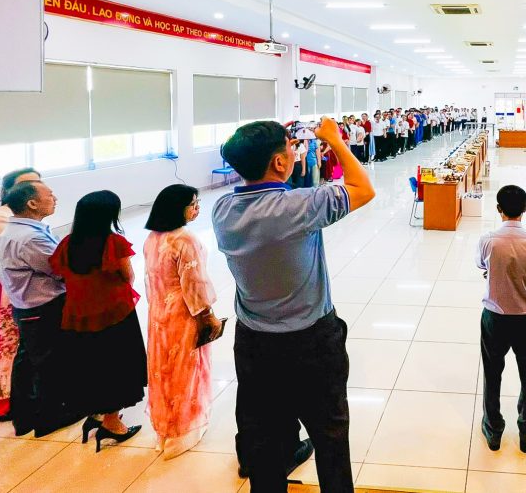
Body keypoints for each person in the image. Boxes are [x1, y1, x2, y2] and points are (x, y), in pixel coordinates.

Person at [213, 118, 375, 493]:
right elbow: (362, 188)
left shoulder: (222, 210)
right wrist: (333, 138)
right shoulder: (299, 206)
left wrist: (277, 140)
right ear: (280, 162)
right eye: (289, 148)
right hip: (311, 342)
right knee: (330, 434)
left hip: (254, 343)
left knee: (264, 437)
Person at [51, 191, 146, 451]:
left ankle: (95, 414)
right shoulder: (113, 242)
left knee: (90, 364)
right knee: (116, 366)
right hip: (113, 312)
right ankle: (112, 423)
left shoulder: (68, 243)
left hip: (78, 314)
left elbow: (60, 274)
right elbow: (128, 276)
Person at [144, 185, 222, 459]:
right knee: (186, 370)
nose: (197, 208)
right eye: (193, 204)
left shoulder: (152, 238)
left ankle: (164, 432)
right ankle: (184, 431)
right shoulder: (184, 240)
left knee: (162, 370)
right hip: (183, 313)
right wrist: (207, 315)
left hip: (158, 313)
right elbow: (195, 284)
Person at [0, 181, 80, 437]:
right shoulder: (31, 237)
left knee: (28, 362)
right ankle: (49, 418)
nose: (55, 198)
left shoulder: (16, 230)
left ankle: (24, 417)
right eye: (49, 195)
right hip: (43, 307)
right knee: (48, 363)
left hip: (27, 307)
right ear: (32, 203)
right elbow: (60, 269)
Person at [475, 185, 526, 454]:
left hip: (495, 317)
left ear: (499, 209)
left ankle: (493, 429)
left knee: (492, 373)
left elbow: (482, 266)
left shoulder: (488, 240)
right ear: (525, 209)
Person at [0, 168, 42, 420]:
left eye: (37, 182)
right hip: (8, 286)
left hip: (34, 284)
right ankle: (5, 396)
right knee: (7, 339)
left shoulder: (32, 215)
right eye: (27, 184)